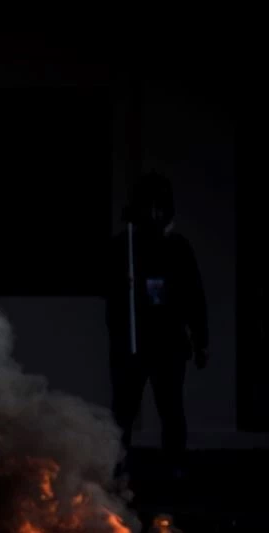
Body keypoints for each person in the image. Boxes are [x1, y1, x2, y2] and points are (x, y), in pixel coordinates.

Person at [104, 170, 209, 479]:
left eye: (159, 208)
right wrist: (121, 285)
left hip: (169, 345)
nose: (153, 214)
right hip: (131, 346)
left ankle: (175, 465)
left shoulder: (178, 248)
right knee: (124, 411)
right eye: (148, 207)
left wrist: (201, 341)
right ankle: (117, 467)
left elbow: (194, 297)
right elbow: (109, 296)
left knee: (171, 408)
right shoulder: (123, 247)